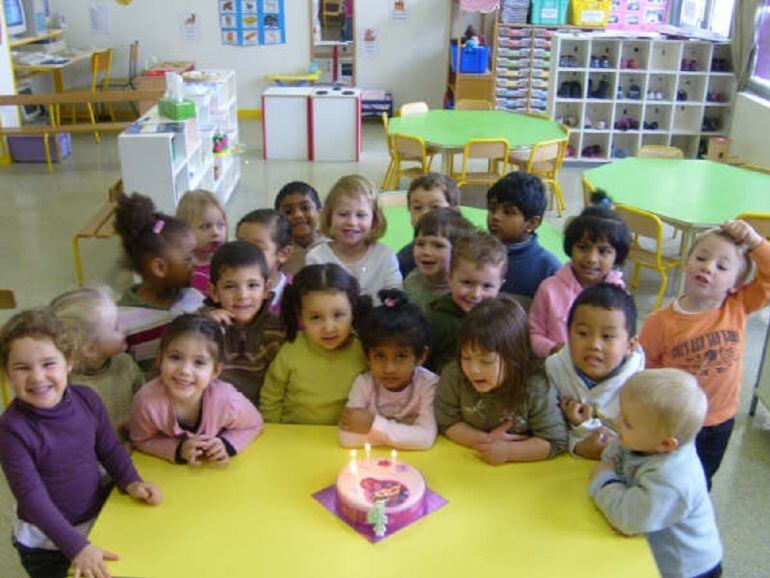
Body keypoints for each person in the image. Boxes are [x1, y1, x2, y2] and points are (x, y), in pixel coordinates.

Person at [0, 310, 161, 578]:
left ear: (69, 363)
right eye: (22, 368)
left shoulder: (87, 399)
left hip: (95, 520)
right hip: (46, 544)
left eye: (49, 364)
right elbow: (32, 498)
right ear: (7, 373)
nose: (37, 377)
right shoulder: (11, 430)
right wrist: (76, 547)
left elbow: (109, 449)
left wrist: (131, 481)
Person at [639, 219, 770, 489]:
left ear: (736, 283)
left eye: (722, 266)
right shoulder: (659, 322)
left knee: (701, 481)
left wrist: (756, 242)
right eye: (701, 258)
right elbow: (647, 373)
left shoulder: (737, 306)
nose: (708, 267)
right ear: (687, 264)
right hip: (677, 421)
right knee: (666, 478)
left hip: (720, 420)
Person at [589, 369, 723, 578]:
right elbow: (614, 455)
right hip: (652, 548)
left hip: (686, 569)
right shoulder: (647, 439)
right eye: (621, 413)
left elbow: (627, 518)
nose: (616, 422)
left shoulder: (673, 479)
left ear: (665, 444)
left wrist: (605, 481)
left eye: (627, 422)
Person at [434, 295, 567, 464]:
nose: (473, 369)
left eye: (486, 361)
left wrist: (508, 452)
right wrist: (485, 441)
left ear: (515, 357)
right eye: (466, 357)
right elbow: (446, 421)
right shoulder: (454, 375)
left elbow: (554, 441)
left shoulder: (535, 386)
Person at [130, 314, 263, 464]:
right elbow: (141, 439)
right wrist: (179, 449)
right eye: (175, 357)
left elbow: (254, 424)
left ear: (215, 371)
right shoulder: (146, 400)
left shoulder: (227, 400)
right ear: (160, 359)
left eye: (199, 362)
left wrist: (226, 444)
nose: (185, 370)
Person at [260, 264, 370, 424]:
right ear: (301, 317)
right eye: (316, 317)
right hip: (293, 437)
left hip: (344, 439)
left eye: (338, 315)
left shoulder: (363, 352)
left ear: (352, 311)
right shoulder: (291, 350)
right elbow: (271, 399)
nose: (329, 328)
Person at [545, 283, 645, 459]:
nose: (594, 345)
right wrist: (578, 445)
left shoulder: (640, 386)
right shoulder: (553, 369)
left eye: (607, 337)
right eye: (583, 333)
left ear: (630, 345)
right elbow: (545, 429)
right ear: (568, 335)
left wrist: (585, 427)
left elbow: (641, 443)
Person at [114, 192, 205, 374]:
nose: (195, 263)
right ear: (159, 268)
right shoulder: (119, 321)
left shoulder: (195, 300)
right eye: (188, 258)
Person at [339, 289, 438, 450]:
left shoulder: (429, 384)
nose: (389, 368)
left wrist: (372, 424)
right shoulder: (364, 383)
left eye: (400, 356)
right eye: (379, 356)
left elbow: (425, 439)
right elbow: (346, 437)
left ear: (421, 356)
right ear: (367, 355)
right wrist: (407, 432)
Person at [529, 202, 631, 358]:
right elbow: (533, 333)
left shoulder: (621, 297)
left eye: (603, 251)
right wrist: (552, 349)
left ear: (617, 256)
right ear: (571, 248)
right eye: (583, 247)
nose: (591, 259)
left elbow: (624, 342)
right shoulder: (549, 289)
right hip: (553, 368)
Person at [48, 286, 144, 433]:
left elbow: (147, 401)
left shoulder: (126, 363)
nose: (125, 328)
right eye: (116, 327)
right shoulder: (67, 386)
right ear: (90, 349)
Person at [203, 241, 286, 405]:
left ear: (266, 289)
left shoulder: (279, 330)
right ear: (214, 292)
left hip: (264, 417)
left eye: (252, 285)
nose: (242, 295)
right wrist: (204, 325)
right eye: (230, 286)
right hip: (214, 416)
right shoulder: (204, 324)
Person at [306, 174, 402, 299]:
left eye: (361, 215)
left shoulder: (386, 256)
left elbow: (397, 300)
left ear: (374, 219)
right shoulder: (316, 258)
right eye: (343, 214)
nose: (351, 222)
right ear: (330, 217)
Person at [426, 231, 507, 372]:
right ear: (450, 278)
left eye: (487, 286)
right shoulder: (437, 320)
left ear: (500, 284)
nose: (476, 294)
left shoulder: (505, 319)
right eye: (467, 283)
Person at [487, 172, 561, 302]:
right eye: (492, 209)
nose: (495, 217)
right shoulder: (475, 254)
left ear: (533, 223)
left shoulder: (547, 269)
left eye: (508, 212)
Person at [403, 208, 477, 313]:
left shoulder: (461, 293)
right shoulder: (412, 280)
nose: (426, 252)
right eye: (420, 244)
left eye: (438, 245)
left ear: (459, 252)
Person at [397, 173, 461, 278]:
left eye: (435, 207)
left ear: (455, 212)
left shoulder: (469, 253)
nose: (425, 214)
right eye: (417, 208)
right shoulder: (405, 260)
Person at [235, 209, 294, 314]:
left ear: (283, 254)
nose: (245, 253)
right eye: (241, 245)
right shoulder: (229, 288)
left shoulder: (298, 292)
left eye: (256, 247)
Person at [176, 189, 227, 297]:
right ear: (185, 230)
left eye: (220, 225)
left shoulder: (228, 260)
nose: (215, 233)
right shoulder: (181, 268)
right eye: (206, 227)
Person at [274, 181, 325, 276]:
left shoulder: (333, 247)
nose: (297, 215)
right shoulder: (278, 255)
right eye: (288, 212)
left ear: (319, 212)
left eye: (305, 208)